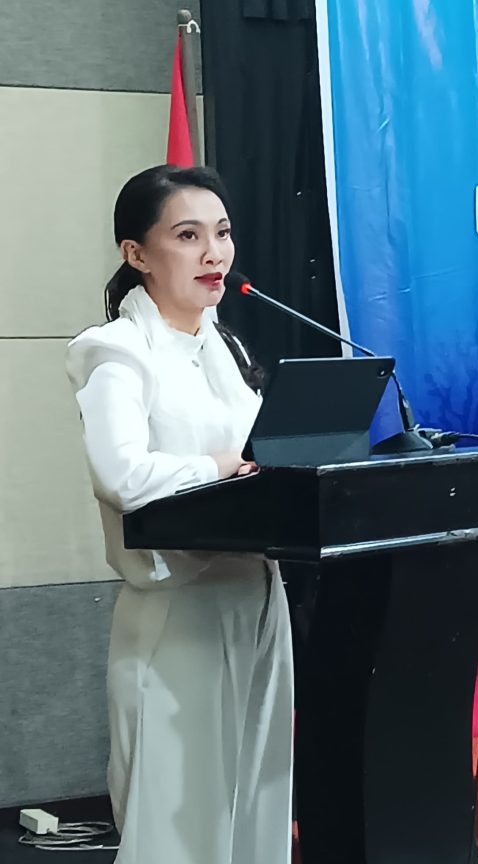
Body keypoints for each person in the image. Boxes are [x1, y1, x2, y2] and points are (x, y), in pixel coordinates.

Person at [64, 165, 293, 864]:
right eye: (188, 236)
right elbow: (122, 475)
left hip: (257, 594)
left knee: (255, 805)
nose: (213, 254)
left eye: (222, 233)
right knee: (180, 824)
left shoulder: (225, 346)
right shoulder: (116, 352)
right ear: (136, 253)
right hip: (179, 609)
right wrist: (219, 466)